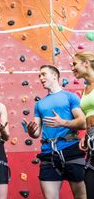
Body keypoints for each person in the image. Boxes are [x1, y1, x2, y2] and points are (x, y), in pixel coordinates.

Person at [24, 64, 86, 199]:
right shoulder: (39, 104)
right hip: (48, 153)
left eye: (43, 74)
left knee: (81, 196)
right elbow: (36, 134)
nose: (40, 78)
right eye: (39, 75)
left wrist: (62, 122)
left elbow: (82, 122)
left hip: (70, 150)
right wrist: (31, 131)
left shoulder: (70, 97)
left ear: (55, 75)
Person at [71, 51, 94, 199]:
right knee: (90, 187)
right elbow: (88, 116)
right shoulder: (86, 90)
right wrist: (86, 136)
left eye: (75, 64)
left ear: (86, 63)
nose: (72, 68)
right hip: (91, 142)